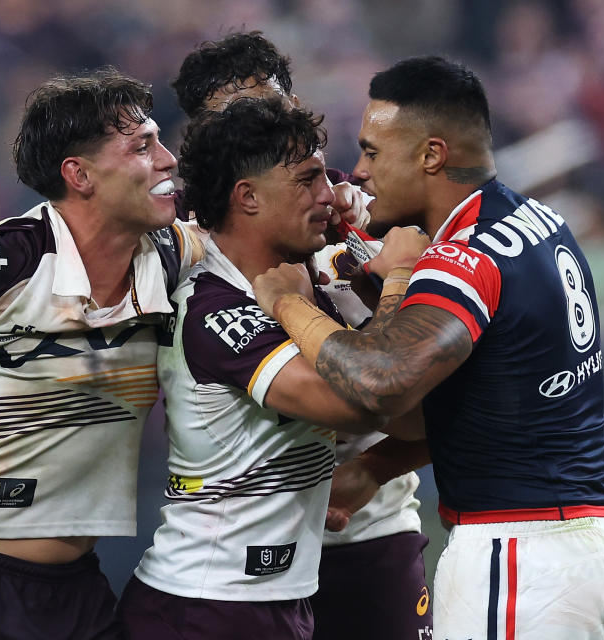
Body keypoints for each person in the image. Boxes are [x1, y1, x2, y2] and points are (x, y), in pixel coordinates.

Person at [253, 55, 604, 639]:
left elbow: (380, 384)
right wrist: (379, 466)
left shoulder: (463, 258)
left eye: (373, 152)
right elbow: (486, 409)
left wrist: (290, 302)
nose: (357, 172)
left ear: (432, 155)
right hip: (602, 556)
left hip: (517, 559)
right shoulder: (542, 223)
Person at [0, 69, 199, 640]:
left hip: (77, 594)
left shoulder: (173, 254)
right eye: (142, 146)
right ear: (78, 174)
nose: (168, 159)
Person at [117, 97, 425, 640]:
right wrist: (399, 278)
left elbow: (418, 417)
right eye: (307, 180)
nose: (330, 194)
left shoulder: (330, 286)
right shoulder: (213, 306)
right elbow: (365, 402)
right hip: (207, 605)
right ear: (249, 197)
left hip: (279, 601)